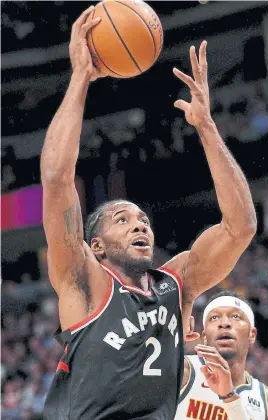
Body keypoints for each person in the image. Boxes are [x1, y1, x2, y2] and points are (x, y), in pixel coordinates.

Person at [41, 6, 257, 420]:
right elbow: (55, 177)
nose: (140, 222)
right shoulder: (82, 279)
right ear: (96, 245)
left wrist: (207, 128)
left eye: (142, 218)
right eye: (122, 218)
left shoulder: (176, 285)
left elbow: (240, 227)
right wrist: (80, 77)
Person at [175, 291, 268, 420]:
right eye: (214, 317)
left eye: (235, 316)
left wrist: (229, 397)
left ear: (252, 334)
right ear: (205, 336)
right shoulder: (180, 371)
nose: (224, 323)